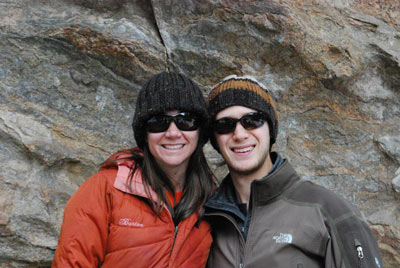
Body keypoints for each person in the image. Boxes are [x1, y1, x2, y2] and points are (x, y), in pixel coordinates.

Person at [204, 75, 383, 268]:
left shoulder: (330, 210)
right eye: (224, 125)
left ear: (270, 129)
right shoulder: (208, 219)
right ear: (215, 140)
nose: (239, 134)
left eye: (252, 120)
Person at [52, 71, 216, 267]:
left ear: (199, 132)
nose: (173, 133)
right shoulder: (105, 189)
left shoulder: (211, 202)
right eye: (159, 123)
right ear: (144, 134)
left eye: (186, 121)